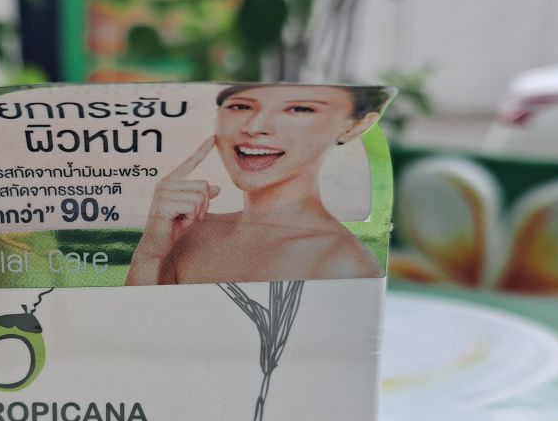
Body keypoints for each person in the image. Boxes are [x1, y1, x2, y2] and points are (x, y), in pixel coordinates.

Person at [126, 84, 390, 286]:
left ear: (354, 126)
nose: (255, 126)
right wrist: (148, 255)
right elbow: (137, 335)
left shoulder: (344, 265)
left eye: (299, 109)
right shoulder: (186, 234)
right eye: (241, 106)